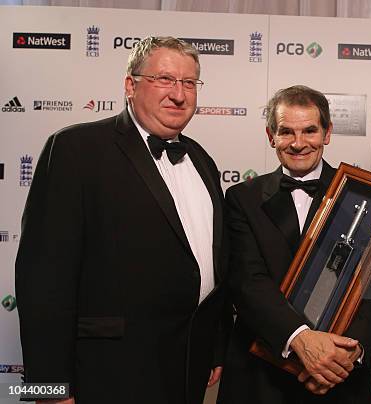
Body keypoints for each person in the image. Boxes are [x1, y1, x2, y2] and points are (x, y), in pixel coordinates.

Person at [15, 36, 231, 404]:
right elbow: (43, 278)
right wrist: (47, 387)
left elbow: (214, 268)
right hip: (105, 374)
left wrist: (214, 350)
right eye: (165, 79)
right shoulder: (75, 149)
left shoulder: (202, 160)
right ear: (131, 85)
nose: (178, 94)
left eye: (189, 83)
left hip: (186, 371)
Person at [217, 85, 371, 404]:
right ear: (271, 136)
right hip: (263, 374)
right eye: (286, 132)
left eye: (310, 130)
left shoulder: (364, 195)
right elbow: (248, 283)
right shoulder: (243, 199)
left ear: (327, 133)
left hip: (341, 374)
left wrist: (351, 351)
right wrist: (301, 340)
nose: (298, 143)